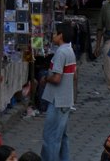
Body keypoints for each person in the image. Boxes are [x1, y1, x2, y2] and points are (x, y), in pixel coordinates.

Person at [41, 23, 77, 161]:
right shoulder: (70, 50)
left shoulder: (61, 53)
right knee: (61, 136)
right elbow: (75, 76)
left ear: (61, 35)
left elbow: (56, 78)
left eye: (55, 33)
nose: (53, 36)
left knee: (50, 137)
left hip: (58, 101)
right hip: (65, 100)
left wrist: (45, 79)